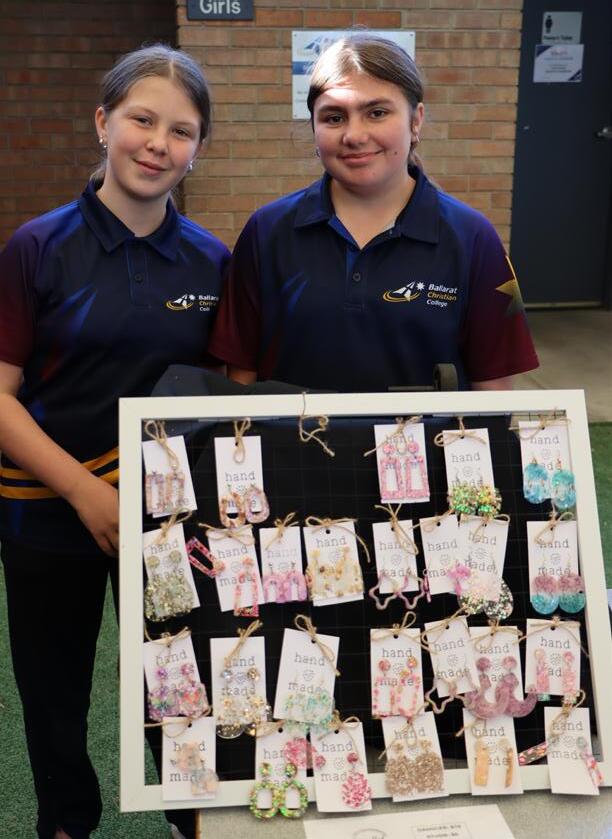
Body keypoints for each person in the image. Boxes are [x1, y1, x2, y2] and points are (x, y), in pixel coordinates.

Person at [0, 44, 229, 839]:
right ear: (103, 123)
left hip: (167, 522)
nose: (158, 143)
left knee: (181, 679)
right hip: (47, 509)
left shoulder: (213, 261)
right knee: (53, 688)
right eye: (142, 120)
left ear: (198, 148)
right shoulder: (36, 247)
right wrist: (85, 492)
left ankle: (193, 817)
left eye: (181, 130)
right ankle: (66, 822)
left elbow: (225, 398)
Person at [208, 34, 538, 392]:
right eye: (334, 117)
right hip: (295, 432)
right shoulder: (266, 231)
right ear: (314, 128)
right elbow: (240, 380)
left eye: (377, 113)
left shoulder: (474, 238)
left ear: (416, 121)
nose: (354, 135)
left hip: (425, 433)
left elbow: (493, 391)